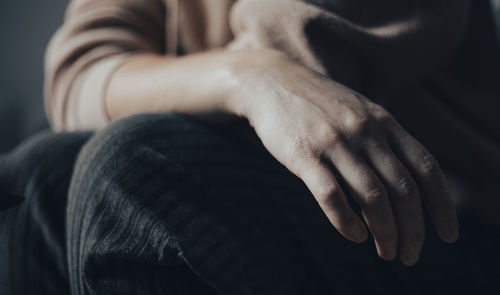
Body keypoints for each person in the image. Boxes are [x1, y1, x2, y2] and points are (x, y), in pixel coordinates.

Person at [1, 0, 499, 294]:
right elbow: (77, 75)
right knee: (30, 183)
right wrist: (248, 76)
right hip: (305, 200)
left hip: (429, 221)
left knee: (140, 171)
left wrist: (246, 72)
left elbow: (310, 47)